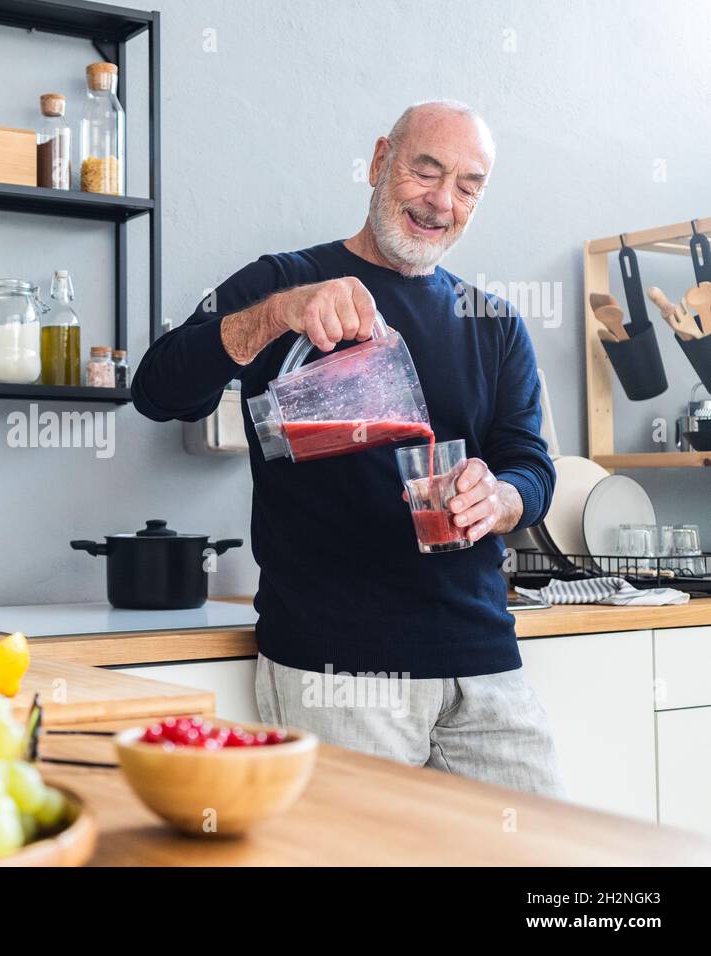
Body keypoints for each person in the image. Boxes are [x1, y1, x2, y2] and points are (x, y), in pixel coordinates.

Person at [132, 101, 561, 794]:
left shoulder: (494, 322)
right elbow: (157, 391)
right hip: (340, 667)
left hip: (485, 663)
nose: (442, 201)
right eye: (426, 172)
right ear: (379, 160)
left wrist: (502, 496)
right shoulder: (283, 281)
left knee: (551, 864)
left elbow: (530, 465)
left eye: (467, 186)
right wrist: (278, 314)